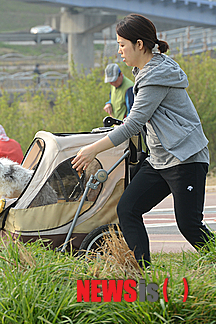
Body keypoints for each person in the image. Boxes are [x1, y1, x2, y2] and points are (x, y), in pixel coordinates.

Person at [71, 14, 214, 268]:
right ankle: (143, 276)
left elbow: (134, 124)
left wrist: (93, 150)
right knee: (128, 209)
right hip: (160, 160)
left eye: (122, 45)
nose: (119, 51)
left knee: (189, 225)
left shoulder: (156, 75)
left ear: (139, 44)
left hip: (185, 159)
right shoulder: (144, 72)